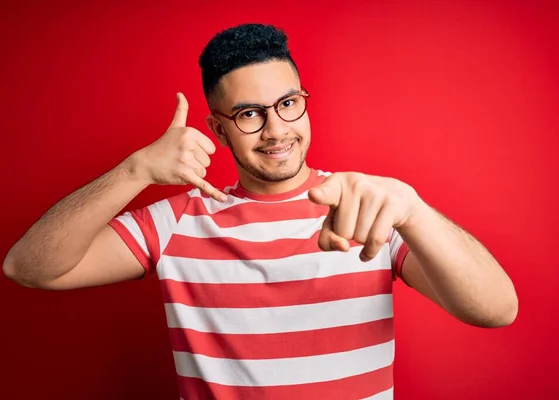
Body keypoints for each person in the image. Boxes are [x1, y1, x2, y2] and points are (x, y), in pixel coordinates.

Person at [2, 23, 518, 399]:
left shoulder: (368, 208)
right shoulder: (178, 221)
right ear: (218, 128)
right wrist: (134, 171)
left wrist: (415, 208)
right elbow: (27, 268)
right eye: (249, 114)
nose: (276, 130)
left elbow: (496, 311)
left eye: (288, 104)